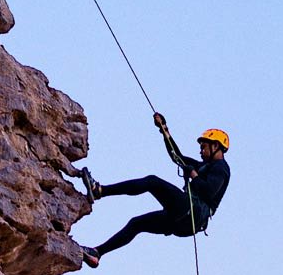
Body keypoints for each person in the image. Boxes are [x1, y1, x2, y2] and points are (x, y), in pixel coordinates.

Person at [77, 113, 230, 267]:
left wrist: (193, 174)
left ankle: (100, 191)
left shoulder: (221, 168)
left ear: (215, 146)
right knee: (137, 223)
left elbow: (209, 191)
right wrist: (164, 130)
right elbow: (177, 156)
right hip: (186, 220)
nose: (201, 151)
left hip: (193, 212)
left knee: (152, 182)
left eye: (203, 147)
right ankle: (97, 253)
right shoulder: (203, 166)